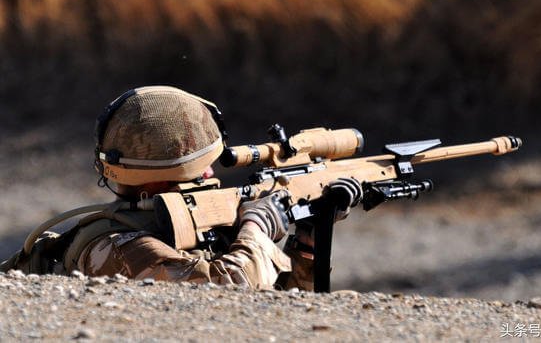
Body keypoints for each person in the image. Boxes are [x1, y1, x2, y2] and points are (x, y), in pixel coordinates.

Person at [1, 86, 359, 291]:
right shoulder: (119, 248)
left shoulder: (173, 234)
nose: (210, 172)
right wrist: (257, 227)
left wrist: (308, 242)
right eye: (205, 164)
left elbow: (274, 310)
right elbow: (224, 293)